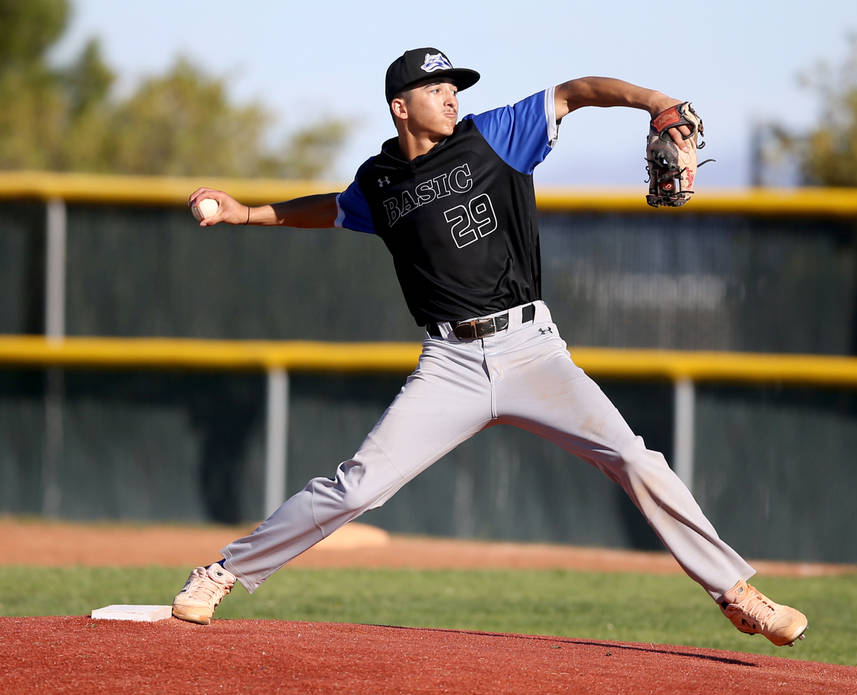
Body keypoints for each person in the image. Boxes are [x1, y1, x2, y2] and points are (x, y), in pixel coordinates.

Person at [173, 47, 808, 647]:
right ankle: (222, 573)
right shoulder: (381, 179)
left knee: (636, 460)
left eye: (454, 89)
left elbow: (575, 92)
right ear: (400, 105)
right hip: (450, 365)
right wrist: (247, 213)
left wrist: (655, 101)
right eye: (437, 89)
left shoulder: (494, 135)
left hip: (533, 350)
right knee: (357, 487)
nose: (451, 99)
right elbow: (334, 209)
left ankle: (736, 593)